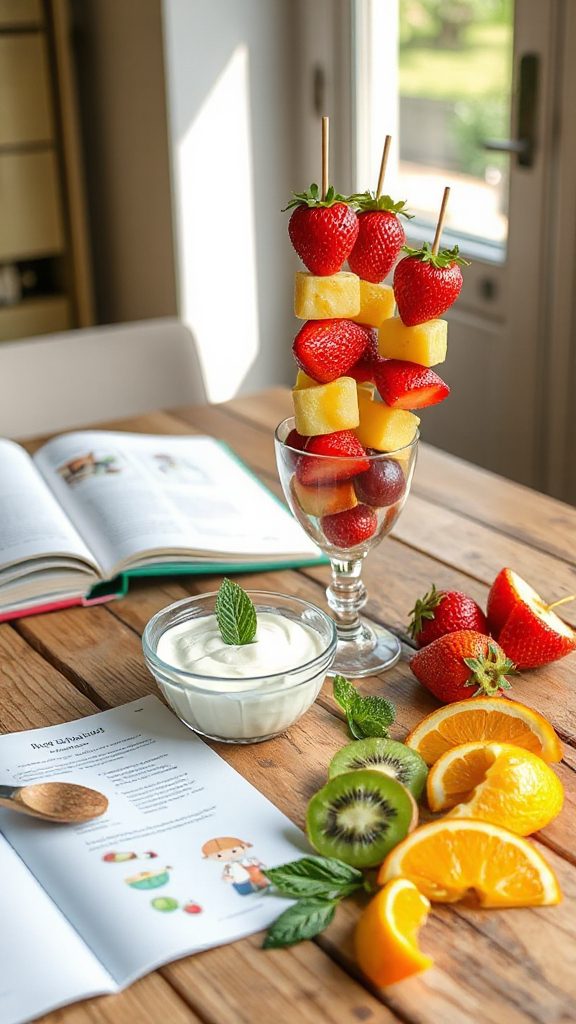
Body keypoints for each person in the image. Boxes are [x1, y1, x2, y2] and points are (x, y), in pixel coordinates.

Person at [201, 836, 269, 895]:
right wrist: (228, 878)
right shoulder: (228, 867)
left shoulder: (247, 860)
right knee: (249, 892)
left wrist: (258, 865)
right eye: (219, 855)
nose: (229, 856)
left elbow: (259, 865)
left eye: (234, 851)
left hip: (255, 877)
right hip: (241, 882)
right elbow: (227, 876)